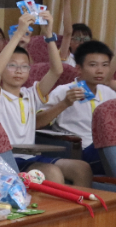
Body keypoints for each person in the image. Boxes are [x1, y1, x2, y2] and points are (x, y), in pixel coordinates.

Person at [0, 10, 89, 185]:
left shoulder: (31, 94)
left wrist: (49, 34)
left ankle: (82, 204)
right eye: (12, 65)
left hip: (29, 157)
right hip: (7, 160)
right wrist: (18, 33)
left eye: (24, 66)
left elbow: (57, 70)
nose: (19, 71)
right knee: (52, 172)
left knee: (82, 168)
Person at [41, 40, 115, 169]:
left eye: (105, 65)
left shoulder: (109, 92)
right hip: (80, 151)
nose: (100, 71)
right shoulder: (63, 91)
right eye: (93, 65)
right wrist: (65, 103)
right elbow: (38, 123)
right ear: (79, 68)